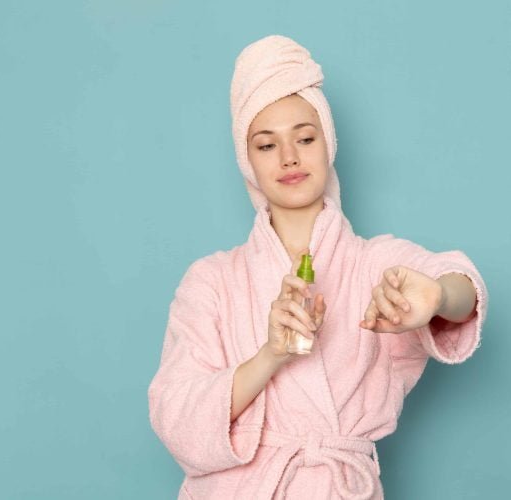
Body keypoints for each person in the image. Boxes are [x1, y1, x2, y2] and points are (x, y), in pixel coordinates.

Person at [148, 34, 489, 500]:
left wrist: (434, 295)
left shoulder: (375, 264)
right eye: (267, 145)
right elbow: (176, 418)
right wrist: (271, 355)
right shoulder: (211, 280)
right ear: (247, 161)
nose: (289, 157)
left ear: (327, 142)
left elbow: (461, 287)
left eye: (304, 138)